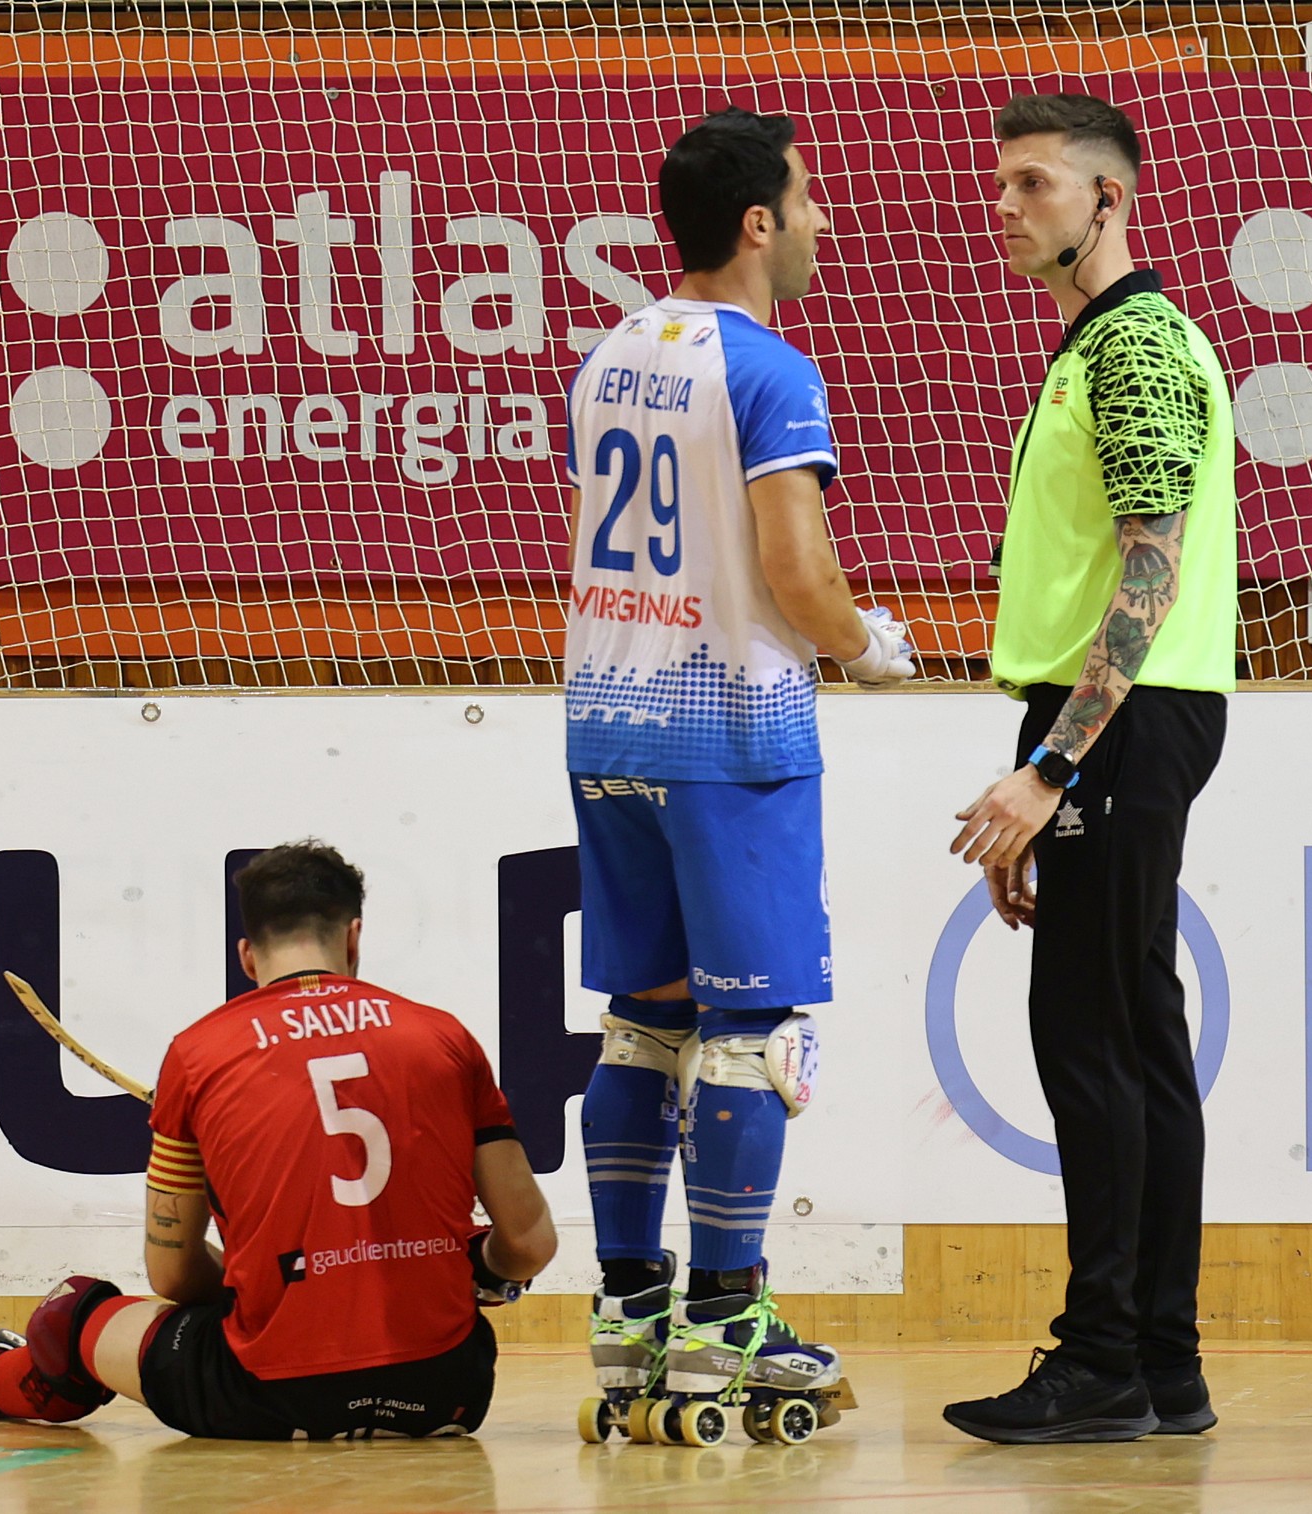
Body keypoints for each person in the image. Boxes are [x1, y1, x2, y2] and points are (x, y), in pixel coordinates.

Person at [560, 106, 913, 1445]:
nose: (821, 221)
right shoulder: (770, 370)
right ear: (758, 222)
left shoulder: (609, 353)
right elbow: (795, 571)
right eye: (807, 200)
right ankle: (723, 1317)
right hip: (729, 735)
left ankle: (629, 1309)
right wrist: (869, 648)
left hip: (607, 723)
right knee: (754, 1032)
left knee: (640, 1020)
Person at [0, 840, 556, 1440]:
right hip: (448, 1388)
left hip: (268, 1397)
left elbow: (173, 1275)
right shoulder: (443, 1039)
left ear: (247, 956)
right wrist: (476, 1269)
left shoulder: (199, 1054)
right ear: (354, 937)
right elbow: (527, 1243)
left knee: (73, 1315)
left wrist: (271, 1283)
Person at [942, 92, 1237, 1445]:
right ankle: (1162, 1364)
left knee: (1091, 1038)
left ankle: (1104, 1354)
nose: (1004, 205)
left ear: (1107, 200)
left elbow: (1151, 563)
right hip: (1108, 721)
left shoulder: (1133, 346)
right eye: (1003, 182)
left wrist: (1052, 768)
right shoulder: (1098, 346)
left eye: (1033, 183)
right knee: (1134, 1032)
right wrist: (1042, 763)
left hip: (1117, 722)